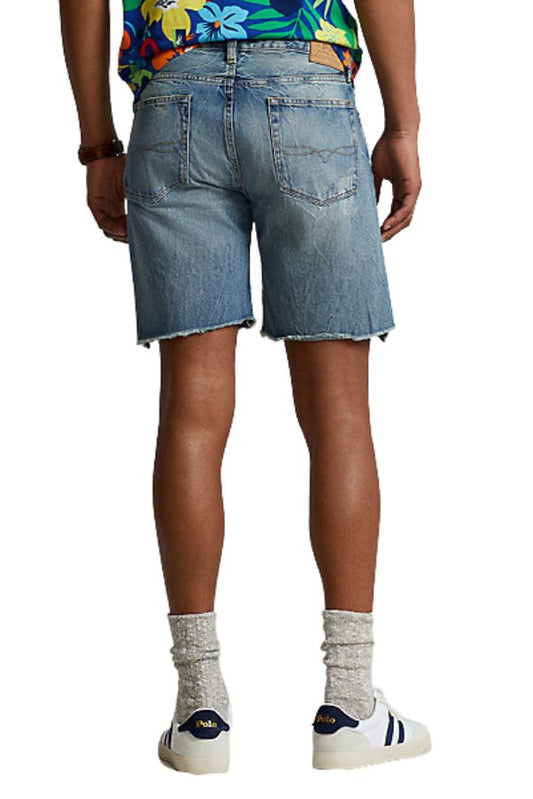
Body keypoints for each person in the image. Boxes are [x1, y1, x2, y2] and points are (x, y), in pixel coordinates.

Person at [60, 0, 430, 775]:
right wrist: (403, 123)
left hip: (172, 98)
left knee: (190, 415)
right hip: (307, 89)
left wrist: (98, 143)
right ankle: (349, 702)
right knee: (339, 416)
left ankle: (199, 709)